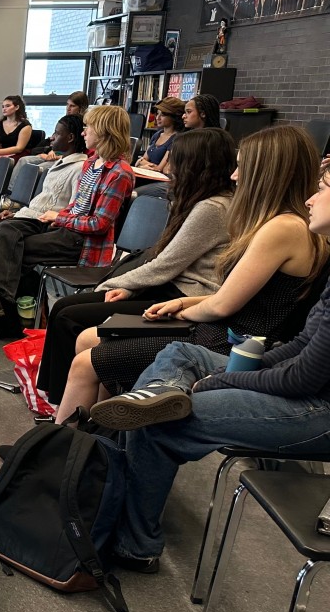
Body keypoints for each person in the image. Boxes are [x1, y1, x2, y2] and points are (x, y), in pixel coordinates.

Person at [80, 155, 330, 572]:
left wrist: (223, 381)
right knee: (180, 355)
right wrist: (228, 374)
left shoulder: (281, 227)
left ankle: (135, 546)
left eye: (322, 190)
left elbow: (304, 377)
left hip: (318, 409)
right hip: (302, 386)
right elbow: (301, 346)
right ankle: (158, 397)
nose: (310, 199)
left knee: (156, 425)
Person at [53, 126, 330, 422]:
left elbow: (223, 306)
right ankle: (95, 433)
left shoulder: (282, 228)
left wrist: (182, 311)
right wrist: (182, 304)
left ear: (265, 174)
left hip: (226, 341)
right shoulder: (285, 224)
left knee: (86, 361)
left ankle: (66, 444)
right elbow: (237, 297)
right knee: (89, 341)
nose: (234, 176)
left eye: (242, 168)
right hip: (225, 331)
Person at [38, 128, 237, 407]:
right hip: (169, 286)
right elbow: (165, 263)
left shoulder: (212, 208)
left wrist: (116, 284)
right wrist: (129, 288)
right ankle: (57, 398)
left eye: (176, 160)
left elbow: (166, 264)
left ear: (195, 165)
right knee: (64, 307)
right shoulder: (202, 201)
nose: (170, 168)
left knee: (70, 317)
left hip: (180, 296)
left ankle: (60, 401)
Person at [0, 105, 136, 332]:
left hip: (83, 242)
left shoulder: (119, 173)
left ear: (104, 131)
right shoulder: (91, 164)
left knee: (1, 248)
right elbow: (76, 206)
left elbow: (99, 224)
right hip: (63, 228)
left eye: (88, 127)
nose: (84, 132)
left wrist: (59, 218)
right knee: (3, 234)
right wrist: (59, 217)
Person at [0, 115, 88, 285]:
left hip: (38, 223)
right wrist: (17, 212)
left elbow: (73, 209)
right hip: (25, 216)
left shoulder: (80, 168)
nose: (51, 137)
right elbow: (42, 200)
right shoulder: (60, 162)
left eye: (57, 133)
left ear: (70, 137)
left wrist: (46, 218)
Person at [6, 92, 89, 186]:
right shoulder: (64, 121)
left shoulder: (82, 127)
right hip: (53, 153)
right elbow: (55, 140)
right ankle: (9, 191)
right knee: (24, 160)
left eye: (72, 106)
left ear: (81, 108)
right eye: (67, 104)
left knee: (38, 168)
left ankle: (24, 194)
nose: (68, 108)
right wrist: (51, 151)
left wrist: (56, 156)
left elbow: (79, 152)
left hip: (62, 158)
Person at [136, 96, 185, 173]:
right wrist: (143, 163)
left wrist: (143, 163)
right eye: (157, 113)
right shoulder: (157, 134)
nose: (157, 118)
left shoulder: (176, 139)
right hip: (146, 172)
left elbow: (159, 168)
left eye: (163, 115)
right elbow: (143, 159)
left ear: (174, 117)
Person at [0, 95, 32, 160]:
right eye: (3, 107)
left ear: (17, 107)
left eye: (7, 106)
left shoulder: (25, 126)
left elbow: (19, 148)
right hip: (2, 154)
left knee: (2, 163)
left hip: (19, 155)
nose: (4, 109)